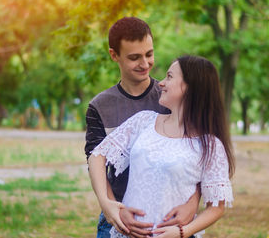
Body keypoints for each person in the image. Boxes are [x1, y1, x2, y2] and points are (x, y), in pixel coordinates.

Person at [89, 55, 235, 238]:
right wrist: (108, 204)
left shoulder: (210, 145)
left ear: (191, 87)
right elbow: (97, 156)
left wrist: (182, 232)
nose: (161, 83)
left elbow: (216, 207)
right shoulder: (144, 121)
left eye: (170, 77)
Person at [84, 17, 201, 238]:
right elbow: (96, 160)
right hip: (120, 219)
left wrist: (193, 204)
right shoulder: (100, 106)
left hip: (168, 220)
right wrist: (111, 208)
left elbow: (198, 156)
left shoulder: (170, 97)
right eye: (134, 57)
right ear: (114, 55)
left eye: (149, 54)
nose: (145, 63)